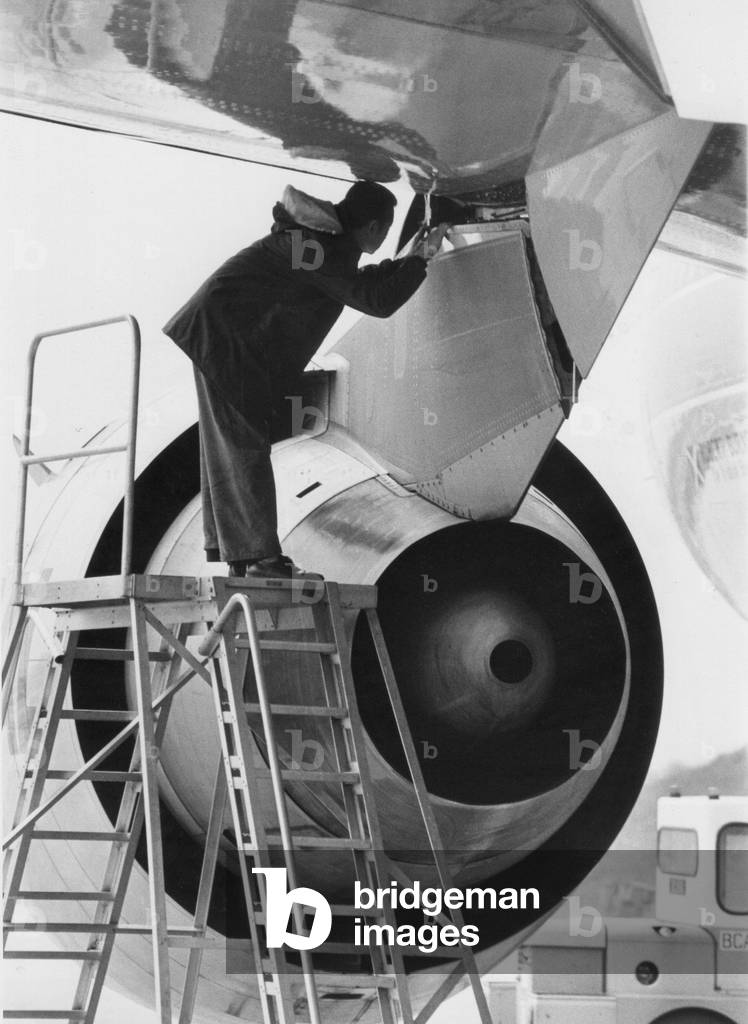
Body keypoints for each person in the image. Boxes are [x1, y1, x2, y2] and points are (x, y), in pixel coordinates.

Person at [163, 179, 447, 579]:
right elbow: (374, 301)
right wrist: (419, 263)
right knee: (244, 447)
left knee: (230, 447)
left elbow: (358, 283)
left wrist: (410, 258)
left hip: (220, 335)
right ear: (372, 227)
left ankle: (243, 557)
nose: (383, 240)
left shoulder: (317, 245)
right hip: (224, 341)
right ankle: (261, 561)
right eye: (384, 231)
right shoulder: (310, 248)